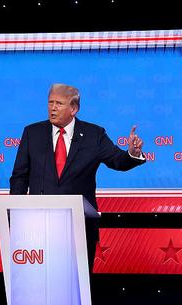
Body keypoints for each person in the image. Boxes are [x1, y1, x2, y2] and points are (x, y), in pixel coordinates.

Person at [9, 83, 146, 270]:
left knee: (79, 284)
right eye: (50, 103)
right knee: (40, 280)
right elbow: (20, 176)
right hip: (39, 226)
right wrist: (15, 214)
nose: (53, 108)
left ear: (74, 108)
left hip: (79, 225)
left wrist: (132, 152)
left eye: (59, 103)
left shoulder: (94, 134)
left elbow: (118, 161)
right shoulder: (33, 133)